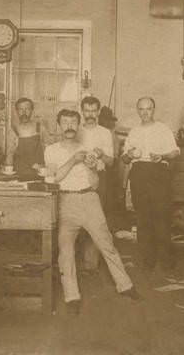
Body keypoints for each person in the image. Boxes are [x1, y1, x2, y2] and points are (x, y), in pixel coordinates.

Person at [45, 109, 142, 315]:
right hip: (64, 201)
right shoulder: (51, 150)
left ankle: (125, 286)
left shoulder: (87, 149)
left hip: (90, 199)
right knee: (66, 251)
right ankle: (72, 297)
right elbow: (53, 178)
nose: (69, 126)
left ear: (78, 125)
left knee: (106, 244)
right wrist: (74, 160)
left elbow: (96, 183)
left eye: (73, 122)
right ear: (59, 125)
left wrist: (92, 168)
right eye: (65, 122)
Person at [122, 97, 180, 274]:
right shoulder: (133, 132)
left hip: (158, 173)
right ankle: (148, 260)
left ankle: (166, 261)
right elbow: (124, 159)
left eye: (148, 109)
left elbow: (176, 152)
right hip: (139, 173)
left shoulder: (163, 129)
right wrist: (130, 154)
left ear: (153, 109)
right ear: (137, 111)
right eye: (141, 109)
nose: (145, 113)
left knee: (161, 218)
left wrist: (162, 155)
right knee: (143, 219)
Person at [76, 96, 115, 272]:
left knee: (97, 220)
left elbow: (111, 162)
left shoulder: (105, 133)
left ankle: (90, 264)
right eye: (87, 110)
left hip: (100, 178)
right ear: (82, 111)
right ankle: (76, 261)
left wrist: (101, 155)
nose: (90, 114)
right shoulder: (75, 130)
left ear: (98, 112)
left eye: (93, 111)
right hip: (77, 178)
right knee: (76, 218)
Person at [6, 97, 49, 179]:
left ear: (32, 110)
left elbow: (49, 151)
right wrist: (8, 169)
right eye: (20, 109)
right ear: (17, 112)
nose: (24, 112)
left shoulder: (40, 128)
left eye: (27, 109)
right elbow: (9, 155)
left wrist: (43, 166)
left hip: (39, 173)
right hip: (19, 173)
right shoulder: (13, 131)